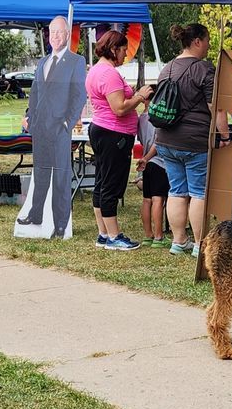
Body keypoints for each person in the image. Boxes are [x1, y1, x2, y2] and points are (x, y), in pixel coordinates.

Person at [152, 21, 224, 257]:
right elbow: (216, 107)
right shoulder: (204, 69)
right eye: (207, 42)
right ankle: (199, 244)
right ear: (197, 42)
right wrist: (223, 134)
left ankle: (178, 240)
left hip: (165, 140)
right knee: (198, 192)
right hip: (194, 141)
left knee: (176, 190)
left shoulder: (167, 68)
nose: (207, 47)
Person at [16, 16, 89, 238]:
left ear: (67, 35)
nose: (55, 36)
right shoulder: (42, 62)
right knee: (40, 173)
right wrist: (29, 116)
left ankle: (60, 224)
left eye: (60, 32)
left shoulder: (76, 61)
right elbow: (36, 94)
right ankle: (36, 214)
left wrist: (67, 122)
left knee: (60, 176)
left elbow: (79, 96)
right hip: (40, 128)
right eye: (52, 32)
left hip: (60, 127)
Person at [83, 28, 153, 251]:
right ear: (113, 49)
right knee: (112, 184)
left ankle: (103, 233)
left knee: (102, 182)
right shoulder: (109, 74)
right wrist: (140, 95)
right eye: (123, 50)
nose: (125, 55)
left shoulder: (96, 70)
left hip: (102, 130)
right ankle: (114, 236)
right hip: (114, 135)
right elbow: (119, 108)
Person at [135, 112, 169, 245]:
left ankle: (148, 235)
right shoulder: (159, 114)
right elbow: (158, 142)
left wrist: (145, 158)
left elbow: (142, 140)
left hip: (147, 163)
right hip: (159, 161)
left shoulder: (142, 118)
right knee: (158, 200)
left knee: (146, 200)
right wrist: (147, 158)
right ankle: (159, 237)